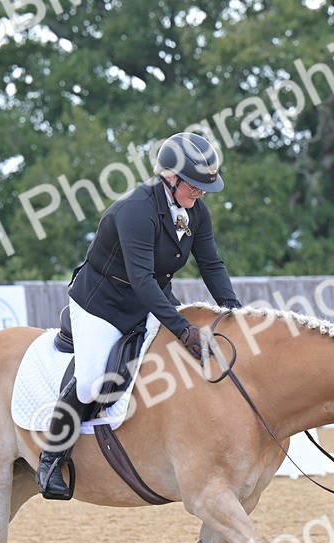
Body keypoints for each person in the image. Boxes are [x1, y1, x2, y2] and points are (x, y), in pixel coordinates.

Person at [36, 132, 243, 500]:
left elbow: (211, 263)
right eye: (195, 186)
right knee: (90, 383)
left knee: (181, 362)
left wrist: (235, 313)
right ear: (170, 177)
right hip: (103, 303)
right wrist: (183, 329)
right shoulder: (136, 209)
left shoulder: (195, 211)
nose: (201, 194)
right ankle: (52, 457)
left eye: (204, 188)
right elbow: (142, 279)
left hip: (152, 297)